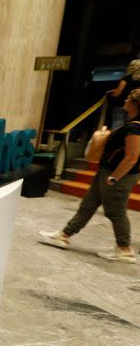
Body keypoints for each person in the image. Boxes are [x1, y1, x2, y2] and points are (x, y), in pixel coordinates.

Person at [39, 88, 140, 263]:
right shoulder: (131, 125)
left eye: (128, 99)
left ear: (135, 104)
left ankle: (124, 249)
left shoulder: (134, 127)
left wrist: (115, 177)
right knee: (88, 205)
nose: (124, 101)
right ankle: (64, 235)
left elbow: (132, 157)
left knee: (116, 212)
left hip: (117, 175)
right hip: (108, 172)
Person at [106, 59, 140, 129]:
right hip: (136, 107)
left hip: (121, 106)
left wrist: (110, 95)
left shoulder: (126, 79)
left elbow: (117, 93)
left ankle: (117, 139)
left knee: (118, 126)